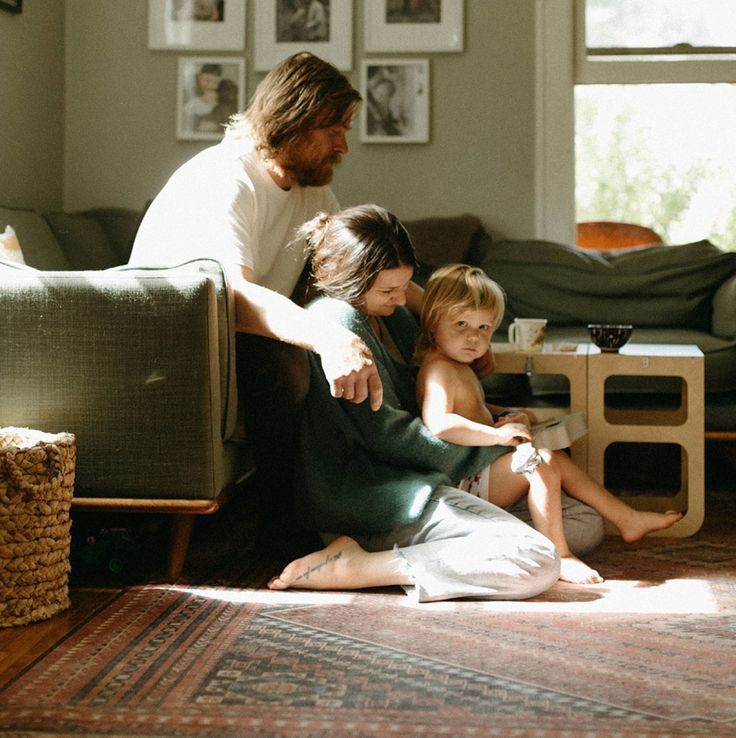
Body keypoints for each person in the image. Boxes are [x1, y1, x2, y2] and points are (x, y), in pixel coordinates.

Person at [269, 206, 605, 602]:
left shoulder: (390, 315)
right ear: (351, 281)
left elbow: (430, 395)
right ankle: (357, 565)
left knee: (584, 522)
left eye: (405, 285)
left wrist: (499, 418)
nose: (404, 298)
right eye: (389, 290)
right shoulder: (338, 321)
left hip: (423, 482)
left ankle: (447, 553)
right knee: (537, 558)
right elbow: (389, 437)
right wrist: (493, 442)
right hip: (377, 499)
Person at [130, 53, 391, 549]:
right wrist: (326, 338)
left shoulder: (310, 188)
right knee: (288, 358)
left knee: (347, 315)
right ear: (292, 119)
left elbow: (360, 267)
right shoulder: (227, 178)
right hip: (171, 355)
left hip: (225, 341)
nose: (344, 144)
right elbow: (233, 297)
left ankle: (370, 496)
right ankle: (281, 525)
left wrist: (441, 317)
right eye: (333, 128)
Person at [415, 263, 684, 583]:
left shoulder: (455, 363)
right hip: (466, 480)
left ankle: (627, 518)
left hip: (483, 468)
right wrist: (497, 436)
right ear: (433, 323)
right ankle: (562, 555)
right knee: (538, 462)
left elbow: (473, 408)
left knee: (552, 457)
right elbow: (440, 423)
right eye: (462, 324)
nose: (474, 337)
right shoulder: (438, 370)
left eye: (484, 328)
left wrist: (508, 414)